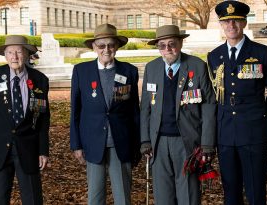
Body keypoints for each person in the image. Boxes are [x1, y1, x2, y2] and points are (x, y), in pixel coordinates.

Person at [208, 1, 267, 204]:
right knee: (230, 191)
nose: (231, 25)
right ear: (221, 25)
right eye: (226, 21)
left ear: (244, 23)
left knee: (255, 190)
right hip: (225, 133)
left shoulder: (263, 53)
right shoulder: (214, 56)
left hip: (253, 131)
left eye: (236, 20)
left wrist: (266, 117)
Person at [140, 25, 216, 205]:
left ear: (180, 43)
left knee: (188, 196)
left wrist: (207, 144)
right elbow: (145, 108)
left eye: (172, 44)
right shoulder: (152, 68)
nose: (167, 49)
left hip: (187, 142)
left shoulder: (197, 66)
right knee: (163, 197)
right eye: (162, 45)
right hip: (158, 143)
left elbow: (209, 106)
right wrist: (145, 140)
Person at [0, 35, 50, 205]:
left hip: (28, 148)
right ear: (5, 55)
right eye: (10, 52)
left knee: (32, 199)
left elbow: (43, 119)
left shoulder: (40, 80)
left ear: (27, 54)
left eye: (19, 52)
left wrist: (43, 150)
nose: (14, 56)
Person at [70, 23, 141, 205]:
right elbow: (75, 111)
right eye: (101, 46)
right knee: (95, 197)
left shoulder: (129, 71)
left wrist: (138, 144)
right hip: (92, 143)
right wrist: (76, 144)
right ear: (94, 47)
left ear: (116, 46)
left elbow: (134, 111)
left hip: (121, 143)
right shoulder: (81, 71)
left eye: (110, 45)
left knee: (123, 198)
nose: (106, 49)